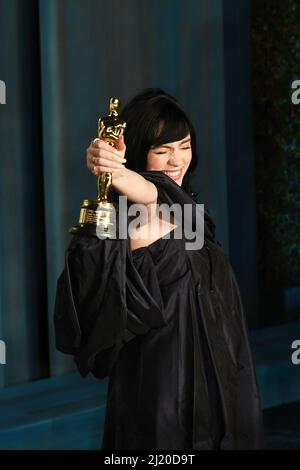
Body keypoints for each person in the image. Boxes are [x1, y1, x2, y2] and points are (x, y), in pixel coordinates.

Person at [54, 88, 265, 450]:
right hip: (163, 391)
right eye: (162, 150)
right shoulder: (135, 220)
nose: (176, 160)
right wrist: (113, 171)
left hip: (222, 380)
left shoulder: (190, 214)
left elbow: (171, 201)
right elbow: (152, 194)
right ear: (139, 155)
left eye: (183, 146)